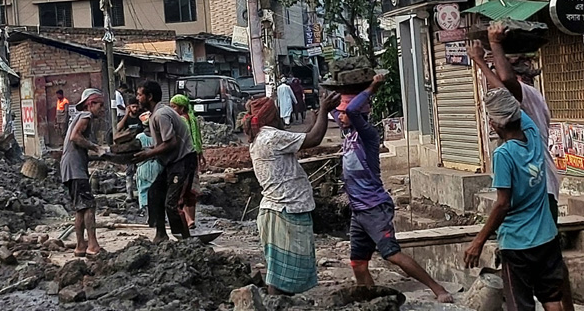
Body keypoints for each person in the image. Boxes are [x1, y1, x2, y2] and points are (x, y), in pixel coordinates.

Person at [468, 23, 574, 310]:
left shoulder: (521, 99)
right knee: (551, 267)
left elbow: (505, 84)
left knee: (528, 286)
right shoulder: (526, 115)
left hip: (536, 202)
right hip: (542, 191)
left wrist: (489, 51)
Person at [337, 74, 453, 303]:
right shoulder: (348, 133)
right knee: (358, 264)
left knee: (392, 254)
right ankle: (371, 302)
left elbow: (351, 111)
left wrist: (372, 88)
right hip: (359, 211)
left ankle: (438, 289)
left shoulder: (366, 135)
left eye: (345, 111)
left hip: (374, 207)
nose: (340, 116)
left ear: (359, 113)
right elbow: (338, 111)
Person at [464, 88, 564, 311]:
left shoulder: (504, 155)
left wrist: (478, 242)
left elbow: (503, 203)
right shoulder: (534, 135)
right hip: (546, 236)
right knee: (551, 298)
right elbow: (512, 101)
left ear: (496, 125)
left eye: (491, 119)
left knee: (520, 305)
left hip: (518, 244)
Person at [242, 90, 340, 295]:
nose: (280, 117)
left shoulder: (263, 137)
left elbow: (300, 139)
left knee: (281, 274)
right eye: (277, 114)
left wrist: (315, 120)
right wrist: (323, 110)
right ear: (271, 118)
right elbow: (313, 140)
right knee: (281, 279)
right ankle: (277, 305)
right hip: (285, 211)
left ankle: (278, 305)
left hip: (281, 210)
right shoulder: (271, 137)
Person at [133, 81, 197, 243]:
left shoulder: (161, 115)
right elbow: (162, 143)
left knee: (172, 203)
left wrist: (148, 154)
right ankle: (161, 233)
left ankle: (185, 240)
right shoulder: (156, 114)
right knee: (154, 193)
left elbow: (171, 143)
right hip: (172, 162)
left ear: (150, 97)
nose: (137, 98)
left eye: (140, 95)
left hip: (183, 161)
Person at [60, 88, 104, 258]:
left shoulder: (78, 117)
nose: (102, 109)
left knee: (80, 208)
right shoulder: (86, 117)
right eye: (100, 105)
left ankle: (80, 246)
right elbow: (75, 137)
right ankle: (92, 246)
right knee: (89, 206)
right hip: (75, 168)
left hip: (69, 167)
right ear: (90, 104)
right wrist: (96, 147)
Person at [169, 94, 206, 230]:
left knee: (181, 188)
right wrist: (201, 154)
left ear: (181, 107)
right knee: (191, 189)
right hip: (193, 157)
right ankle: (192, 219)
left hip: (183, 158)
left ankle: (186, 219)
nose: (172, 109)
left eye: (174, 106)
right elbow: (198, 139)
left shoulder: (179, 121)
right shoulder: (193, 119)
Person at [134, 111, 162, 215]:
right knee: (157, 190)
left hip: (143, 167)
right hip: (157, 165)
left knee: (143, 189)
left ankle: (145, 210)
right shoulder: (158, 137)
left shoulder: (139, 137)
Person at [118, 98, 142, 203]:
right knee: (129, 172)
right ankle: (129, 195)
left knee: (140, 172)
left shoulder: (141, 117)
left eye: (136, 106)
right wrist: (126, 115)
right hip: (130, 148)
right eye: (133, 107)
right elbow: (118, 128)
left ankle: (141, 194)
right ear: (129, 107)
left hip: (140, 147)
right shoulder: (127, 119)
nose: (135, 109)